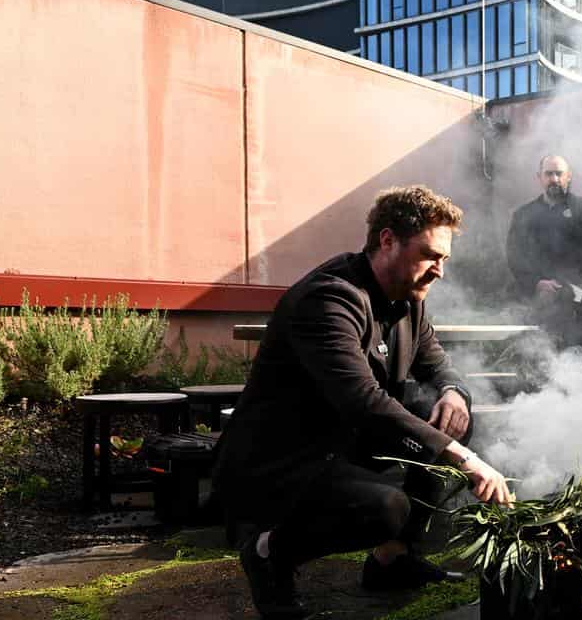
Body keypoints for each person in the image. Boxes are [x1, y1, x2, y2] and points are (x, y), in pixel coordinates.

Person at [213, 186, 513, 618]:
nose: (439, 272)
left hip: (346, 444)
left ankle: (391, 560)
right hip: (281, 460)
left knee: (450, 421)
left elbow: (439, 366)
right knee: (386, 507)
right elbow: (362, 400)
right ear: (387, 240)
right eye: (430, 255)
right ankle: (267, 553)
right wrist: (463, 457)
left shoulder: (408, 300)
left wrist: (453, 394)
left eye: (444, 259)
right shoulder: (328, 299)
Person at [506, 155, 582, 352]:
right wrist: (537, 282)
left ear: (568, 176)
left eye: (559, 173)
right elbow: (515, 256)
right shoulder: (523, 215)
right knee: (541, 357)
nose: (554, 179)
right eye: (548, 174)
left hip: (579, 301)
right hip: (537, 301)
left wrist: (563, 283)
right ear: (539, 178)